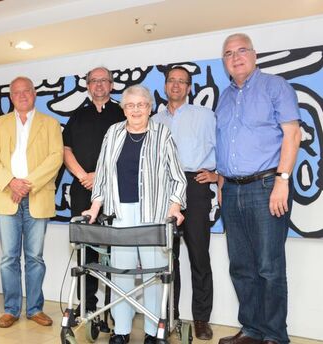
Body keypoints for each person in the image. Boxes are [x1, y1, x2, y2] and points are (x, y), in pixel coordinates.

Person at [83, 85, 186, 344]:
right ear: (124, 109)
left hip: (153, 212)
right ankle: (121, 332)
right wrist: (95, 207)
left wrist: (175, 207)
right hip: (120, 213)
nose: (136, 110)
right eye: (130, 105)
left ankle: (153, 332)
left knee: (152, 274)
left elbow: (178, 177)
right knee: (121, 273)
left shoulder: (162, 134)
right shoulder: (113, 132)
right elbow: (103, 175)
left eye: (141, 105)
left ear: (150, 108)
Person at [216, 33, 301, 344]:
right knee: (241, 267)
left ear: (254, 54)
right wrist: (222, 185)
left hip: (268, 186)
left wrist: (283, 180)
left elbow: (292, 134)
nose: (236, 57)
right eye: (229, 53)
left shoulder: (275, 86)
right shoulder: (224, 97)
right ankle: (252, 330)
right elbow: (224, 144)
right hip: (232, 191)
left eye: (242, 51)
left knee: (269, 267)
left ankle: (276, 336)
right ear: (224, 62)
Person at [0, 76, 63, 328]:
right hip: (8, 197)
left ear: (34, 93)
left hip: (38, 197)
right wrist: (10, 182)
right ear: (10, 97)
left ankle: (35, 309)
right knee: (9, 257)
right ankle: (11, 309)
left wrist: (26, 183)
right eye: (16, 92)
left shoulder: (50, 123)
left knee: (34, 257)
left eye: (26, 91)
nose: (21, 95)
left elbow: (56, 157)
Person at [153, 66, 216, 340]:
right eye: (171, 81)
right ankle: (170, 316)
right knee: (169, 258)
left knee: (199, 256)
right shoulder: (154, 119)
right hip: (164, 189)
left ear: (189, 87)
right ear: (165, 85)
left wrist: (217, 175)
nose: (176, 85)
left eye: (182, 81)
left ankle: (201, 319)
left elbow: (222, 148)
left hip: (195, 185)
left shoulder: (205, 116)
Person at [63, 66, 125, 314]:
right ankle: (87, 305)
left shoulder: (123, 113)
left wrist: (99, 176)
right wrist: (82, 176)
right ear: (87, 86)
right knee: (86, 251)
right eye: (94, 81)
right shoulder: (77, 116)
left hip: (115, 192)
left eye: (104, 81)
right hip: (82, 191)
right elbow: (65, 149)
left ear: (111, 85)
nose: (99, 85)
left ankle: (114, 310)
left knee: (115, 251)